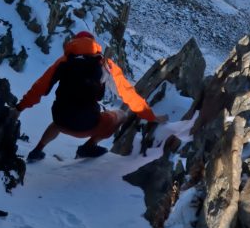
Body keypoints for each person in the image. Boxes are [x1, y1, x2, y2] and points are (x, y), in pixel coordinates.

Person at [16, 31, 159, 162]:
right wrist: (150, 116)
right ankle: (89, 146)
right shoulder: (104, 64)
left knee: (57, 123)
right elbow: (127, 93)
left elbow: (39, 87)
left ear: (75, 42)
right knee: (121, 114)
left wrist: (19, 107)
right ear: (94, 45)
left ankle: (37, 150)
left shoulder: (63, 62)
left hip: (60, 118)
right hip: (86, 124)